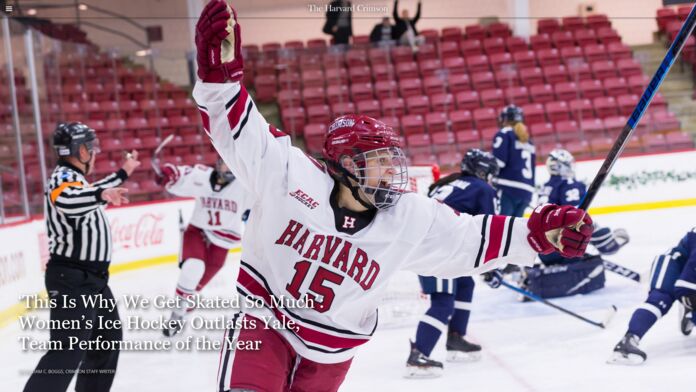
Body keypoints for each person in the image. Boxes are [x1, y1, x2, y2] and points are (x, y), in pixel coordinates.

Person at [193, 2, 593, 390]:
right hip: (265, 322)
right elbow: (240, 134)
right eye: (379, 160)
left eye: (392, 160)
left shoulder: (408, 216)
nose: (391, 170)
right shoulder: (288, 175)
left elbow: (469, 239)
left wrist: (541, 235)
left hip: (333, 351)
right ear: (347, 163)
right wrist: (221, 79)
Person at [24, 122, 140, 392]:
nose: (95, 152)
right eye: (91, 147)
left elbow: (92, 190)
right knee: (67, 352)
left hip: (93, 281)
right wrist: (101, 194)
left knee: (106, 341)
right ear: (81, 151)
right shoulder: (62, 179)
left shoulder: (76, 180)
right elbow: (68, 199)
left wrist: (124, 172)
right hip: (72, 279)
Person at [407, 149, 499, 378]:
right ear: (483, 171)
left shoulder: (448, 183)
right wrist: (493, 268)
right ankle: (418, 355)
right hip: (439, 249)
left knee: (465, 283)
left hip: (426, 244)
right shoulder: (482, 189)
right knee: (443, 302)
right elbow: (491, 230)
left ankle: (456, 337)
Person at [156, 157, 250, 337]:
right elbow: (181, 174)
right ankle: (177, 314)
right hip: (197, 231)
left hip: (223, 242)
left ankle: (183, 311)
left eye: (231, 162)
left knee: (193, 290)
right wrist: (168, 174)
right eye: (224, 162)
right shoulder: (203, 175)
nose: (227, 166)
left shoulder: (246, 187)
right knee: (193, 268)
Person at [608, 227, 696, 365]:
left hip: (690, 278)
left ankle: (689, 314)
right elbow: (686, 288)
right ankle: (628, 341)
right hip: (674, 265)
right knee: (660, 300)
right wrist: (690, 302)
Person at [492, 105, 535, 217]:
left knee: (500, 227)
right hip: (527, 192)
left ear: (504, 119)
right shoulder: (528, 140)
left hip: (508, 188)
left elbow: (499, 162)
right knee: (513, 230)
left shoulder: (504, 133)